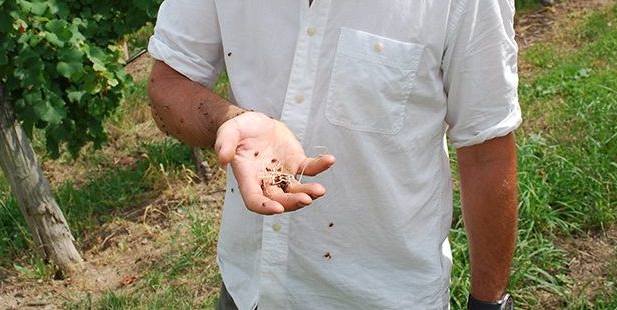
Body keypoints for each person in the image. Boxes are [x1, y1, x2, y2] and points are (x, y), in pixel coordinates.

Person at [146, 0, 520, 309]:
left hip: (385, 298)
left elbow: (485, 151)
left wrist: (488, 302)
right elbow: (167, 82)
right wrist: (229, 121)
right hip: (250, 291)